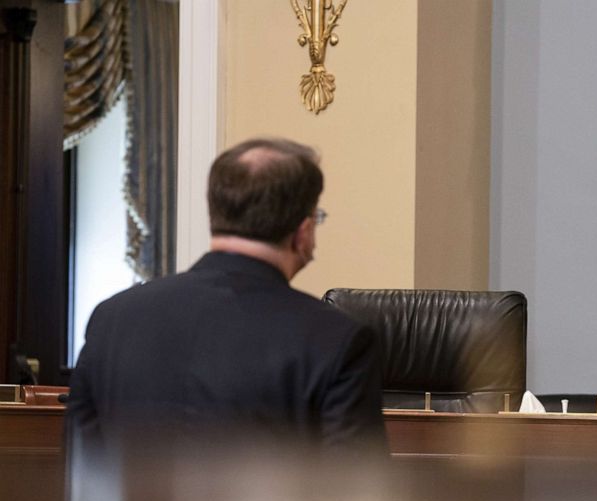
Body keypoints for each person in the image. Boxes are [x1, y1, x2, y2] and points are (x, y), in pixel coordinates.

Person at [67, 137, 386, 449]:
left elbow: (80, 466)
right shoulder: (335, 340)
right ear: (302, 232)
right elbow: (355, 493)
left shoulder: (112, 319)